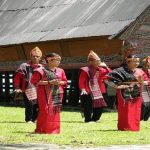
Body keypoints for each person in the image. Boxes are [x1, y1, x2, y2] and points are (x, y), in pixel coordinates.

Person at [106, 54, 148, 131]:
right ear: (128, 62)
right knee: (126, 109)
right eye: (134, 61)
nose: (137, 63)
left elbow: (146, 81)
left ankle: (134, 127)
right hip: (124, 92)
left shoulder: (140, 71)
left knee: (136, 109)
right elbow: (106, 79)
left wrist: (142, 82)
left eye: (138, 61)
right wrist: (116, 86)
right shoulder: (120, 71)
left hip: (137, 92)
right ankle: (124, 126)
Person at [31, 53, 67, 134]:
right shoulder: (39, 70)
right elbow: (34, 81)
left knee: (55, 111)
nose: (59, 62)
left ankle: (54, 130)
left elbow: (65, 81)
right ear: (49, 60)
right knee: (45, 111)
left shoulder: (61, 70)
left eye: (59, 60)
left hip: (57, 93)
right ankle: (41, 130)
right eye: (57, 60)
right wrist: (49, 82)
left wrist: (59, 82)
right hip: (44, 94)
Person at [78, 50, 111, 123]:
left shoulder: (101, 69)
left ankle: (96, 118)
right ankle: (88, 119)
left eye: (99, 61)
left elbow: (111, 75)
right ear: (90, 62)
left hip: (100, 90)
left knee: (100, 105)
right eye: (97, 61)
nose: (99, 62)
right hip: (88, 90)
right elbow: (81, 81)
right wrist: (83, 89)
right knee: (88, 105)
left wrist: (106, 67)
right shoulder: (85, 70)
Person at [13, 47, 42, 123]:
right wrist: (17, 87)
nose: (35, 57)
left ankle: (35, 119)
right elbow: (17, 77)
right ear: (30, 57)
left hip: (38, 89)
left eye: (37, 56)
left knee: (37, 105)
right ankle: (28, 119)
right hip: (27, 88)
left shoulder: (42, 67)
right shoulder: (24, 66)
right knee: (29, 104)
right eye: (33, 56)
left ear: (40, 58)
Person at [141, 56, 150, 121]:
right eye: (146, 65)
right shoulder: (140, 72)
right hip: (144, 90)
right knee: (145, 104)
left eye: (148, 65)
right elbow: (142, 82)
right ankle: (142, 117)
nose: (147, 67)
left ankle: (146, 118)